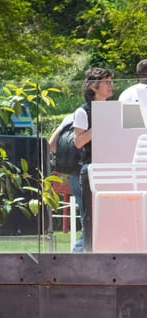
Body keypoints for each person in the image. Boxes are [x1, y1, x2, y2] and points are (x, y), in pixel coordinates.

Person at [74, 67, 114, 252]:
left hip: (115, 169)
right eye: (106, 82)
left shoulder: (116, 109)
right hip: (91, 170)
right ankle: (89, 257)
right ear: (93, 87)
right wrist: (99, 125)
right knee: (90, 217)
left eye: (111, 81)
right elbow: (79, 142)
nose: (111, 85)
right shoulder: (83, 112)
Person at [48, 113, 84, 252]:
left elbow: (51, 145)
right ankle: (77, 254)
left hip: (74, 173)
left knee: (87, 218)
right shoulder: (96, 115)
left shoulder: (71, 117)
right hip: (93, 172)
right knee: (92, 221)